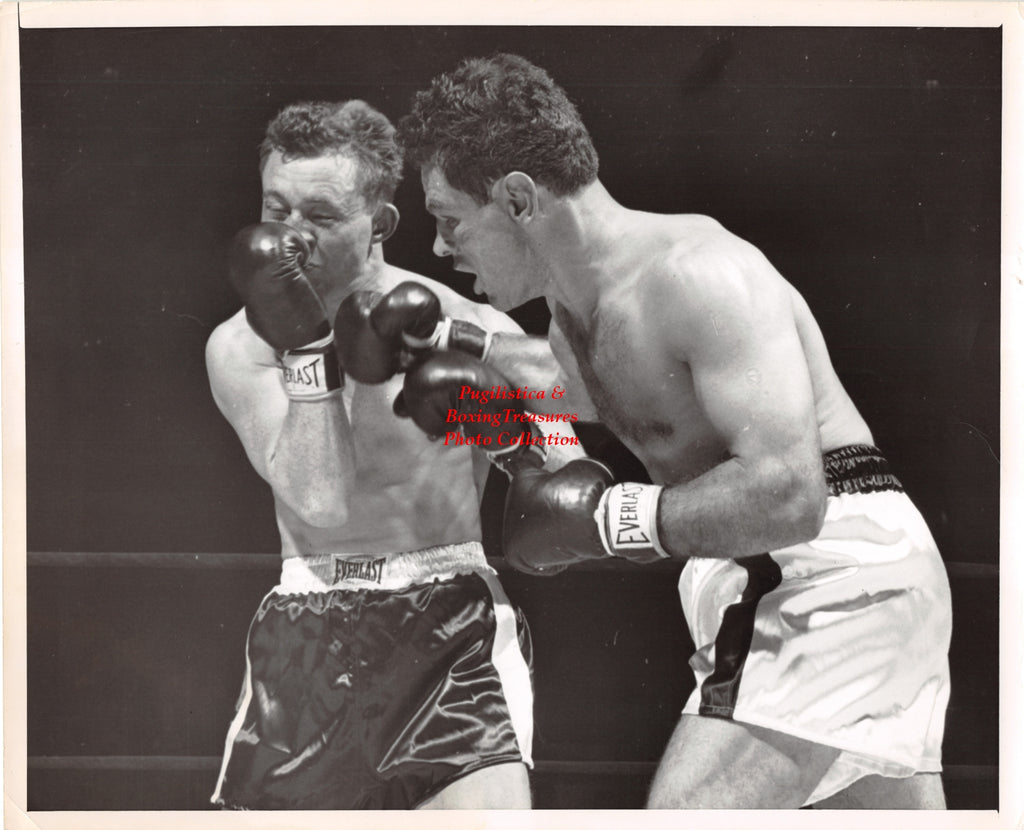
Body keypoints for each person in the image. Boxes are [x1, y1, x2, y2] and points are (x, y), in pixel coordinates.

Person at [396, 54, 954, 809]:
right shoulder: (573, 313)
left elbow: (791, 492)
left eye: (450, 219)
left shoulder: (698, 273)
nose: (438, 247)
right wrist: (461, 381)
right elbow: (564, 396)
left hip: (823, 575)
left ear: (520, 200)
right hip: (786, 584)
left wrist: (606, 520)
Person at [205, 98, 580, 810]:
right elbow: (318, 500)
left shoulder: (476, 329)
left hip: (451, 636)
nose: (288, 238)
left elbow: (569, 493)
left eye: (318, 217)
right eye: (274, 209)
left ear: (380, 224)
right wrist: (311, 348)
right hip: (305, 634)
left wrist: (502, 432)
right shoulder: (240, 347)